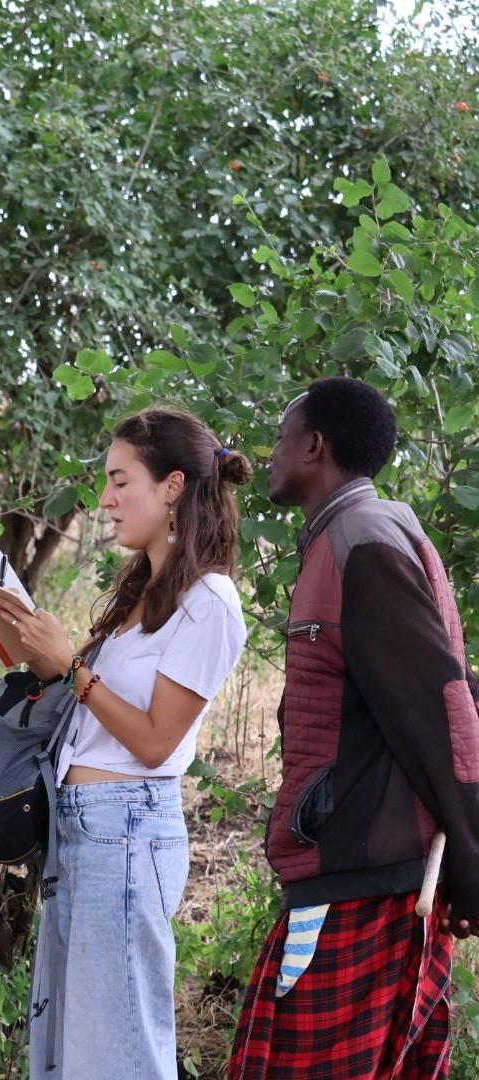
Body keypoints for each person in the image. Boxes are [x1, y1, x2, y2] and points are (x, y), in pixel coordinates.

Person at [229, 377, 479, 1079]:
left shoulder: (360, 540)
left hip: (366, 884)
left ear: (314, 446)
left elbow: (436, 704)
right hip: (362, 871)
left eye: (281, 439)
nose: (271, 455)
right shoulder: (352, 536)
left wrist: (471, 854)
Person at [0, 408, 251, 1079]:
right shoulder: (144, 593)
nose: (104, 500)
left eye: (119, 480)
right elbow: (91, 703)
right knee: (75, 1049)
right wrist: (46, 656)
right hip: (83, 830)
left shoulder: (210, 601)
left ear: (172, 486)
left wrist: (74, 670)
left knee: (119, 1049)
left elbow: (156, 741)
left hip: (127, 831)